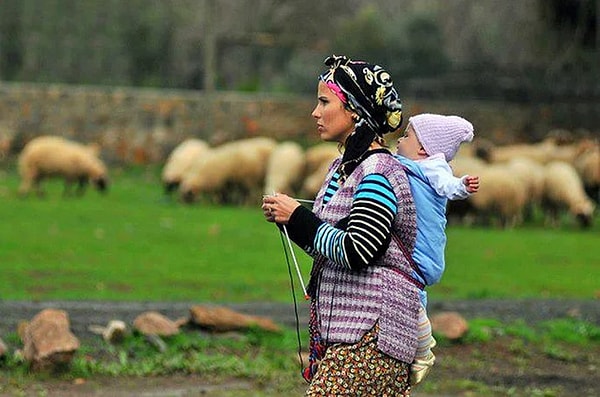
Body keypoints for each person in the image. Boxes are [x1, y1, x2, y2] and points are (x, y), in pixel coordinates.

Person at [262, 55, 420, 396]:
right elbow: (329, 248)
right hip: (346, 336)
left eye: (324, 102)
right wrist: (289, 221)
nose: (314, 113)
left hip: (372, 339)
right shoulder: (341, 168)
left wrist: (299, 218)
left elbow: (359, 250)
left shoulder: (377, 170)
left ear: (354, 110)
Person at [395, 113, 480, 385]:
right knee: (410, 293)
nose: (400, 138)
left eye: (407, 135)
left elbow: (448, 186)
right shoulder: (405, 164)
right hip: (410, 240)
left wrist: (462, 185)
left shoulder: (434, 166)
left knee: (411, 290)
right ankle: (415, 346)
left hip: (424, 244)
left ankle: (423, 350)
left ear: (423, 148)